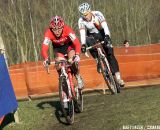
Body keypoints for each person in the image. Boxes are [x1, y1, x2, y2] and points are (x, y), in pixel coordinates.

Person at [78, 3, 124, 87]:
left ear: (90, 11)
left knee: (110, 54)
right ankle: (98, 60)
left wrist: (107, 36)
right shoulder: (81, 20)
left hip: (102, 33)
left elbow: (105, 26)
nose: (85, 16)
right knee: (87, 41)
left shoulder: (98, 14)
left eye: (87, 14)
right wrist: (83, 44)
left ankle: (118, 77)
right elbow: (82, 33)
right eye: (83, 15)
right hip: (92, 35)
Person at [41, 16, 84, 89]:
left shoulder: (67, 30)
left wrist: (77, 55)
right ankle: (62, 80)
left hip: (69, 47)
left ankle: (77, 76)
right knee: (58, 64)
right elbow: (44, 48)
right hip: (58, 49)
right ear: (51, 29)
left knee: (72, 61)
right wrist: (46, 58)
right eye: (54, 29)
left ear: (62, 27)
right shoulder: (48, 33)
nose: (57, 32)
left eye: (59, 29)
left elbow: (77, 43)